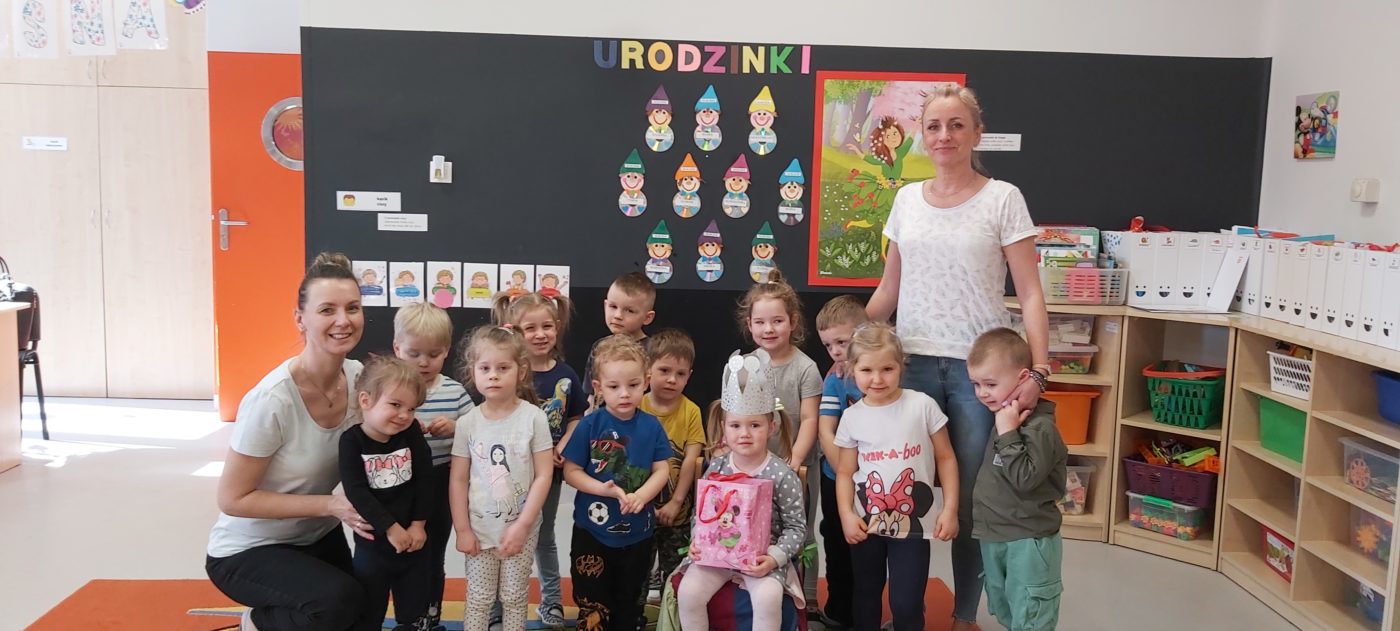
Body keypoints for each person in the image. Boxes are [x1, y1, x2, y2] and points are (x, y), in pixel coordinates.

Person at [866, 84, 1049, 631]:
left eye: (956, 125)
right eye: (934, 126)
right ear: (922, 136)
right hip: (911, 366)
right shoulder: (906, 201)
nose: (944, 135)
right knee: (903, 492)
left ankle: (965, 614)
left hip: (980, 376)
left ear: (976, 133)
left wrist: (1039, 370)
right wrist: (849, 341)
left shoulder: (1003, 198)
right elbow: (889, 289)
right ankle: (907, 611)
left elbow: (1030, 293)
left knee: (971, 502)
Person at [205, 252, 369, 631]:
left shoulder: (358, 377)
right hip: (248, 549)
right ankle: (257, 623)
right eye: (327, 310)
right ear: (300, 319)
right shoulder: (272, 400)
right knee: (337, 604)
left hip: (316, 534)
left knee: (364, 607)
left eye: (353, 308)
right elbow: (232, 499)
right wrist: (331, 505)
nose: (343, 320)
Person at [835, 323, 960, 631]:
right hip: (866, 524)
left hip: (913, 526)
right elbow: (845, 472)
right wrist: (847, 515)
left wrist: (950, 509)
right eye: (867, 370)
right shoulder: (852, 417)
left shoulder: (922, 405)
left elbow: (946, 457)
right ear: (852, 369)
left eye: (887, 369)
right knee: (866, 594)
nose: (877, 379)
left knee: (907, 601)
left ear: (901, 366)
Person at [677, 351, 804, 631]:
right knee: (688, 592)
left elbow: (796, 528)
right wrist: (698, 540)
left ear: (771, 427)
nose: (744, 433)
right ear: (724, 427)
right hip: (717, 556)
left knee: (768, 597)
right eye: (735, 425)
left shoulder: (782, 475)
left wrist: (774, 557)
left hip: (761, 558)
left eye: (755, 425)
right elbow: (701, 514)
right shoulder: (717, 467)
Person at [449, 325, 555, 631]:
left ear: (521, 371)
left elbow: (544, 475)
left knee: (514, 596)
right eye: (485, 368)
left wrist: (522, 525)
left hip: (521, 530)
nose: (493, 375)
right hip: (479, 531)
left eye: (503, 368)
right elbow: (458, 480)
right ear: (473, 371)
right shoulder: (467, 423)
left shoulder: (534, 418)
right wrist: (462, 529)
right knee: (479, 598)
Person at [562, 335, 671, 631]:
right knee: (592, 602)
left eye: (633, 385)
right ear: (598, 388)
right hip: (592, 533)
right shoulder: (589, 425)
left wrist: (642, 495)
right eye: (614, 387)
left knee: (629, 602)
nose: (624, 394)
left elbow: (662, 469)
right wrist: (601, 489)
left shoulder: (651, 426)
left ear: (646, 382)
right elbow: (571, 471)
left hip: (637, 534)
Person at [491, 291, 585, 627]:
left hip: (550, 475)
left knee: (544, 538)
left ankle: (552, 603)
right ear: (515, 331)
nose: (540, 334)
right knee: (503, 535)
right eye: (530, 328)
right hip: (512, 473)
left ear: (557, 326)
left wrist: (564, 447)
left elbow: (576, 417)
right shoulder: (510, 374)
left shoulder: (566, 375)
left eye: (547, 326)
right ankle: (496, 606)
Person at [966, 328, 1066, 631]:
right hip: (996, 535)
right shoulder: (1003, 416)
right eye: (976, 384)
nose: (982, 393)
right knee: (1006, 610)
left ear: (1023, 379)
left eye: (990, 384)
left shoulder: (1039, 428)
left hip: (1028, 540)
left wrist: (1008, 432)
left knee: (1031, 618)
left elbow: (1025, 479)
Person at [736, 273, 823, 616]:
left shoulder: (806, 368)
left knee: (800, 529)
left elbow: (811, 419)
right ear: (749, 325)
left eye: (777, 321)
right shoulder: (745, 365)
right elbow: (736, 412)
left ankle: (808, 595)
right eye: (760, 322)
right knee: (753, 525)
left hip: (795, 465)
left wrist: (795, 458)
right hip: (754, 464)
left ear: (793, 322)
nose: (768, 329)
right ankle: (753, 584)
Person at [337, 357, 434, 631]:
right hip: (374, 547)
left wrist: (418, 525)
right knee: (369, 610)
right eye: (395, 405)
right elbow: (356, 491)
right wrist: (390, 528)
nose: (404, 415)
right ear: (365, 400)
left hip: (413, 541)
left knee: (413, 607)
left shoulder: (410, 432)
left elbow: (425, 479)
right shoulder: (352, 441)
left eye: (411, 408)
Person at [394, 302, 474, 630]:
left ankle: (430, 616)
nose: (423, 362)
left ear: (447, 351)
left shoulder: (454, 392)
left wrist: (456, 427)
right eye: (413, 354)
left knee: (432, 553)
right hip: (400, 482)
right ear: (397, 348)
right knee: (404, 553)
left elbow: (479, 428)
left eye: (433, 354)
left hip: (442, 482)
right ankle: (407, 617)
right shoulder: (393, 392)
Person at [813, 295, 869, 628]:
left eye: (842, 342)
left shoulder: (885, 373)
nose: (835, 351)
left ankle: (866, 613)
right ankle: (838, 611)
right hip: (837, 476)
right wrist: (845, 474)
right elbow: (825, 429)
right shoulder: (834, 379)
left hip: (880, 479)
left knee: (872, 549)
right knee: (836, 539)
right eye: (828, 345)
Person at [639, 329, 706, 604]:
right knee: (637, 573)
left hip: (676, 514)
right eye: (664, 370)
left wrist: (676, 503)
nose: (671, 379)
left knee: (676, 574)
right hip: (638, 510)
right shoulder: (637, 405)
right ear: (648, 369)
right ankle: (634, 618)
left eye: (680, 374)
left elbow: (691, 460)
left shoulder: (691, 411)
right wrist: (642, 502)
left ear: (689, 376)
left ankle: (672, 617)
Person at [583, 272, 656, 410]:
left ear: (647, 317)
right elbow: (592, 396)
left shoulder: (654, 350)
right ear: (605, 305)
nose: (618, 315)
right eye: (613, 306)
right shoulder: (599, 347)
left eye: (629, 311)